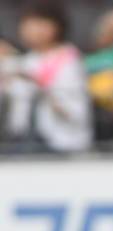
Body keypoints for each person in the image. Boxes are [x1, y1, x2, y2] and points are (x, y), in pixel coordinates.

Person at [0, 0, 92, 152]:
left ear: (57, 26)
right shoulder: (27, 60)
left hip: (62, 144)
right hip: (23, 143)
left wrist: (37, 84)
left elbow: (74, 111)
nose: (33, 29)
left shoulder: (69, 59)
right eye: (28, 23)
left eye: (40, 23)